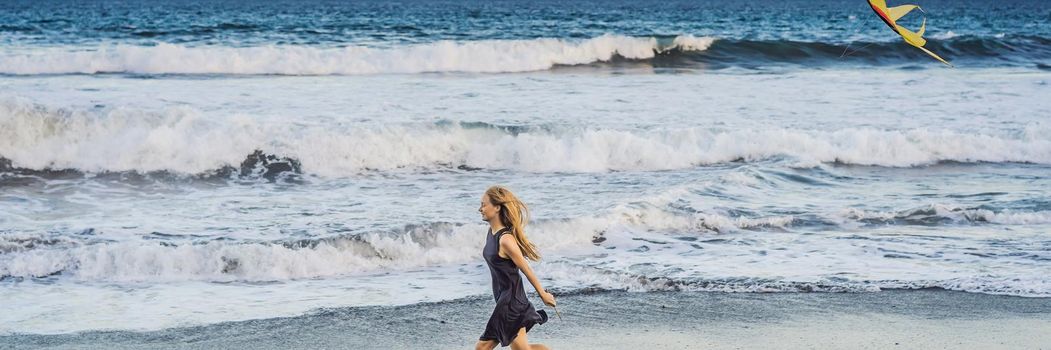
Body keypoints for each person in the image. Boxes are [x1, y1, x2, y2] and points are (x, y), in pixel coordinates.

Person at [475, 185, 556, 350]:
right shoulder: (491, 233)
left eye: (484, 204)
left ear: (497, 207)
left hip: (511, 302)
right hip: (504, 298)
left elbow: (526, 269)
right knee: (522, 349)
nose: (480, 209)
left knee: (482, 347)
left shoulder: (506, 240)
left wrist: (543, 294)